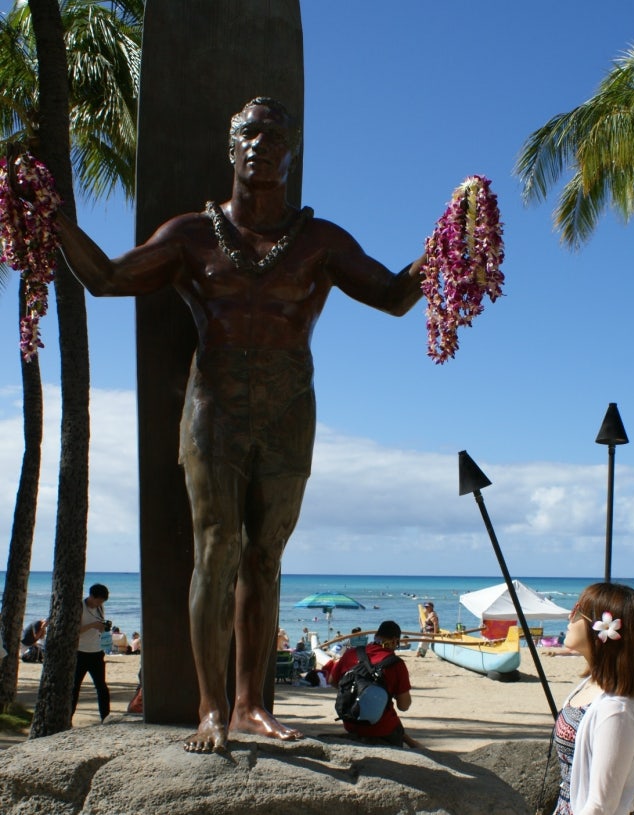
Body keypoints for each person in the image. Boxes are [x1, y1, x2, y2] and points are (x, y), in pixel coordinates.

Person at [54, 97, 424, 752]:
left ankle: (253, 705)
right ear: (231, 149)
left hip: (288, 409)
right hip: (214, 407)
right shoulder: (191, 235)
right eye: (248, 132)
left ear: (292, 152)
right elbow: (108, 277)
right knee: (217, 546)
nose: (260, 142)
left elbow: (395, 296)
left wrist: (450, 236)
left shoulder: (319, 241)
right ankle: (210, 708)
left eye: (273, 133)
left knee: (264, 556)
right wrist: (54, 220)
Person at [551, 582, 634, 815]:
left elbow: (600, 807)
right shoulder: (590, 685)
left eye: (577, 611)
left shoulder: (616, 711)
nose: (569, 617)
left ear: (603, 630)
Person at [328, 620, 412, 748]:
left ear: (376, 636)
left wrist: (356, 693)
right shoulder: (396, 663)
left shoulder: (352, 653)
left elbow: (332, 681)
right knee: (395, 726)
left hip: (351, 722)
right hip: (381, 728)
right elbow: (404, 706)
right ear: (395, 641)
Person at [71, 583, 111, 722]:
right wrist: (93, 625)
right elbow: (74, 631)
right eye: (98, 600)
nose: (99, 603)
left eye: (102, 601)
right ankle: (68, 718)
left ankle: (105, 718)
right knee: (74, 688)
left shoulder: (100, 608)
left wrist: (103, 628)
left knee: (102, 687)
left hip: (97, 652)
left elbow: (100, 625)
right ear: (91, 596)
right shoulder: (79, 607)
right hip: (80, 652)